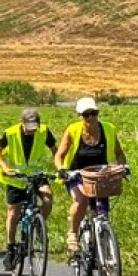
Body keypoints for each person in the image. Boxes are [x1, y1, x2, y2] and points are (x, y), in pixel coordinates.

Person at [54, 97, 128, 254]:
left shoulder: (108, 129)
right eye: (87, 115)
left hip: (100, 176)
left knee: (103, 213)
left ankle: (104, 252)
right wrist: (62, 169)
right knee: (81, 200)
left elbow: (119, 153)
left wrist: (121, 167)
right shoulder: (73, 130)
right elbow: (59, 155)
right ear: (80, 116)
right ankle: (73, 234)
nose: (91, 118)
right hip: (76, 175)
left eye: (94, 113)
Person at [0, 107, 57, 271]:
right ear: (22, 124)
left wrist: (59, 167)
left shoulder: (43, 131)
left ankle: (37, 225)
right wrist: (5, 167)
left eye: (34, 127)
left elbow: (55, 149)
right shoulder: (11, 133)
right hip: (16, 177)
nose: (32, 131)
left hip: (36, 175)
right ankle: (10, 247)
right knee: (13, 212)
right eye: (29, 127)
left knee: (48, 198)